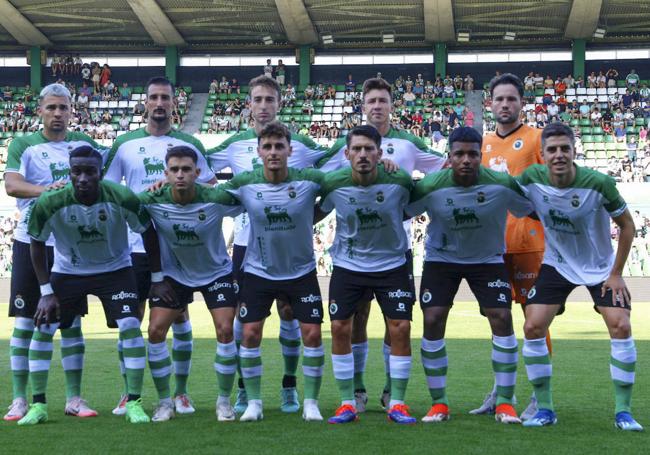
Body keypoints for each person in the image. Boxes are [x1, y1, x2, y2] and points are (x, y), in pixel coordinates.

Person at [318, 77, 445, 411]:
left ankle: (391, 391)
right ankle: (356, 392)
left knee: (397, 323)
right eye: (371, 100)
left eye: (382, 101)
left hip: (395, 250)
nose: (377, 106)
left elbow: (442, 168)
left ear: (392, 106)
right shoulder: (346, 146)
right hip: (352, 253)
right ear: (364, 106)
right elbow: (317, 175)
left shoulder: (407, 145)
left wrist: (401, 176)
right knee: (355, 319)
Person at [206, 75, 327, 415]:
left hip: (292, 248)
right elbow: (200, 167)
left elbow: (337, 163)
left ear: (279, 103)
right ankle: (246, 392)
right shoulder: (234, 143)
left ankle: (290, 387)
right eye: (257, 99)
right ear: (249, 104)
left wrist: (304, 219)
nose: (262, 106)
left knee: (292, 316)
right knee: (245, 326)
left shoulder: (301, 144)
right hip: (248, 247)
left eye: (268, 100)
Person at [518, 122, 642, 431]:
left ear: (575, 151)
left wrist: (616, 274)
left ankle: (623, 412)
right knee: (533, 326)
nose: (559, 155)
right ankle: (544, 408)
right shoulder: (531, 178)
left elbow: (627, 226)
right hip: (557, 264)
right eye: (552, 150)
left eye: (565, 148)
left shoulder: (599, 183)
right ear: (542, 155)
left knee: (621, 325)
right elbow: (500, 189)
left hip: (600, 267)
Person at [104, 76, 217, 415]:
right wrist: (144, 195)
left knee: (179, 317)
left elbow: (210, 184)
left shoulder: (189, 143)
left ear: (174, 103)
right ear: (145, 102)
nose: (159, 103)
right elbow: (110, 192)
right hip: (135, 247)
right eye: (153, 97)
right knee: (132, 319)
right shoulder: (124, 144)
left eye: (165, 97)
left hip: (178, 248)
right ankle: (130, 392)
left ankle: (180, 393)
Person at [18, 145, 154, 425]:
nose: (82, 178)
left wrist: (160, 278)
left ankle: (134, 402)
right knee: (43, 327)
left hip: (115, 269)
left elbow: (148, 232)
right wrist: (45, 292)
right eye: (76, 171)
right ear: (69, 172)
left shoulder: (121, 196)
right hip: (69, 271)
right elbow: (36, 243)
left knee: (130, 325)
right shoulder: (51, 201)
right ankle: (39, 405)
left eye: (89, 171)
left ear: (100, 172)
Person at [407, 127, 532, 424]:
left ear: (481, 156)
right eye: (459, 154)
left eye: (472, 154)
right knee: (433, 318)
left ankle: (504, 402)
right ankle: (439, 404)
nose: (466, 160)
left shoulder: (502, 183)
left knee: (502, 317)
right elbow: (400, 210)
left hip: (487, 260)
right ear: (448, 156)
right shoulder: (430, 185)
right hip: (442, 259)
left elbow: (531, 208)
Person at [3, 83, 103, 421]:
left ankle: (74, 398)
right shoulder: (23, 144)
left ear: (72, 111)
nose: (57, 114)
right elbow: (12, 185)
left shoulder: (82, 146)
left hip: (67, 247)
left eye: (63, 108)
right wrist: (49, 190)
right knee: (25, 323)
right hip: (30, 242)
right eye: (51, 108)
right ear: (40, 110)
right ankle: (19, 399)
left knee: (71, 323)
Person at [318, 125, 416, 425]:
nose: (362, 154)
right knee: (340, 327)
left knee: (399, 328)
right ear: (346, 154)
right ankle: (349, 400)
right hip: (349, 266)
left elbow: (413, 208)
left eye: (369, 149)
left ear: (380, 152)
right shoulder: (332, 184)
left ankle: (396, 401)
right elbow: (315, 209)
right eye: (356, 149)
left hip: (392, 265)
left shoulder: (399, 180)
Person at [138, 146, 242, 422]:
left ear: (198, 173)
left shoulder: (216, 198)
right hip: (175, 275)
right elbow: (126, 206)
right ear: (166, 173)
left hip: (216, 273)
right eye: (174, 170)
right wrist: (157, 277)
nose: (181, 175)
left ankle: (223, 402)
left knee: (225, 330)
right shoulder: (152, 200)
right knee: (156, 330)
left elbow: (250, 202)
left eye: (186, 170)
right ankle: (164, 403)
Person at [475, 73, 546, 419]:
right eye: (499, 99)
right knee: (498, 321)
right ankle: (501, 393)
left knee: (536, 322)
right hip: (492, 248)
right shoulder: (484, 143)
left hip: (530, 244)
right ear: (490, 103)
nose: (505, 104)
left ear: (521, 103)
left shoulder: (537, 140)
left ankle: (539, 396)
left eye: (511, 99)